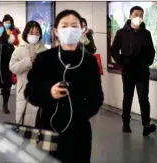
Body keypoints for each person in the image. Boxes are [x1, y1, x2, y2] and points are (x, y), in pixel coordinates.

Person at [24, 9, 104, 163]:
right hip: (47, 129)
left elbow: (97, 98)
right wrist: (48, 92)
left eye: (74, 26)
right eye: (65, 26)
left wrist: (79, 115)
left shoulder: (89, 61)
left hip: (79, 133)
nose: (70, 30)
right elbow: (29, 92)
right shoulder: (44, 59)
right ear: (55, 31)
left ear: (82, 31)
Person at [111, 6, 156, 136]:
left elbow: (151, 51)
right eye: (136, 14)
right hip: (128, 70)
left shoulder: (146, 33)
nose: (138, 17)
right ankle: (126, 123)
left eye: (141, 15)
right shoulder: (121, 33)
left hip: (142, 71)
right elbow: (114, 50)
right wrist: (121, 64)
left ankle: (146, 125)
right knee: (128, 97)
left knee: (143, 98)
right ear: (130, 16)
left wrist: (147, 63)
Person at [9, 21, 47, 126]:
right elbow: (12, 67)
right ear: (26, 34)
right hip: (23, 91)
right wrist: (29, 61)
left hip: (40, 92)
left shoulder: (45, 51)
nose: (34, 35)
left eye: (37, 33)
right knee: (23, 122)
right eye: (31, 33)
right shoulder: (18, 51)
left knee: (39, 123)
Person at [2, 14, 21, 92]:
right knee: (3, 69)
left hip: (11, 51)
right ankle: (3, 86)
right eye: (6, 22)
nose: (7, 24)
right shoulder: (0, 29)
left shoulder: (14, 30)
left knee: (11, 69)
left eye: (9, 22)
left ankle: (12, 83)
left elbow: (16, 42)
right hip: (2, 52)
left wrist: (11, 37)